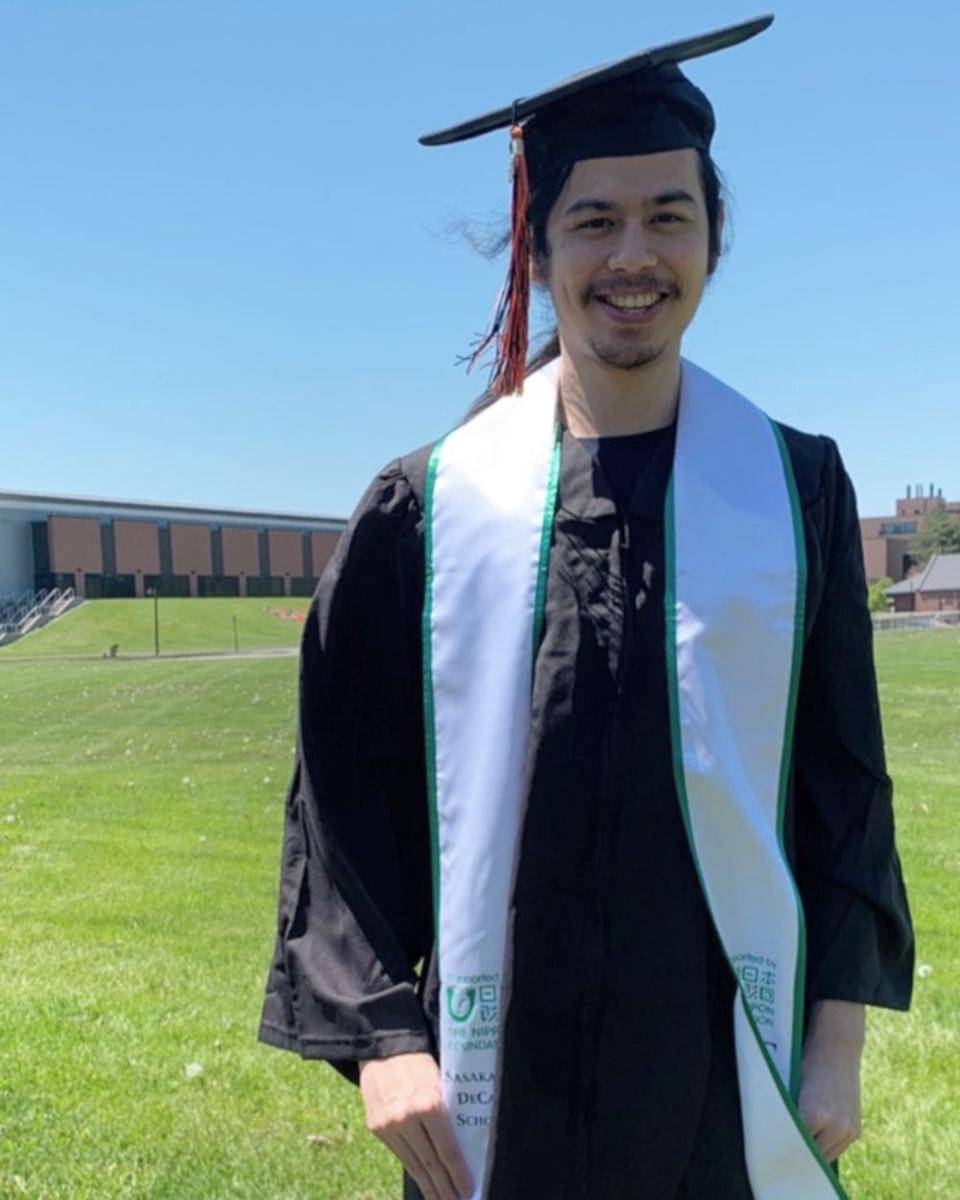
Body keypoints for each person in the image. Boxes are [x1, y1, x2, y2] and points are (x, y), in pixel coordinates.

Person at [257, 16, 914, 1200]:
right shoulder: (432, 504)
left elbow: (844, 783)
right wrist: (385, 1038)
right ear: (535, 248)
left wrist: (837, 1042)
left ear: (714, 237)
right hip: (499, 1080)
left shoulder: (795, 489)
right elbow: (341, 790)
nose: (634, 255)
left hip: (722, 1079)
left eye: (669, 214)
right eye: (594, 220)